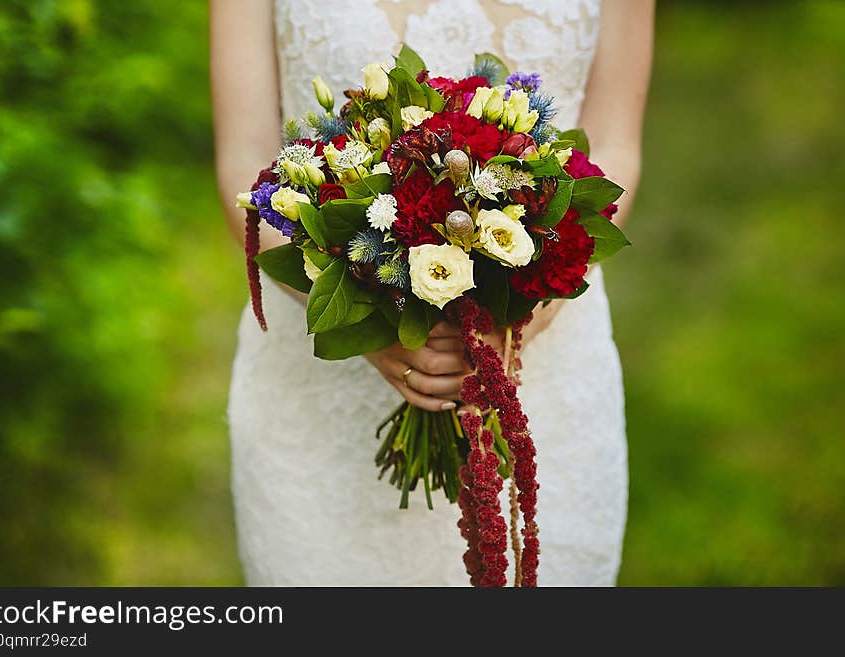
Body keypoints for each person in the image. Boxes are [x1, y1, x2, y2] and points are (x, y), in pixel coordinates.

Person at [211, 0, 653, 585]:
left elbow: (615, 145)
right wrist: (368, 321)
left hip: (547, 371)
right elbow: (245, 163)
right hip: (316, 395)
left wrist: (522, 311)